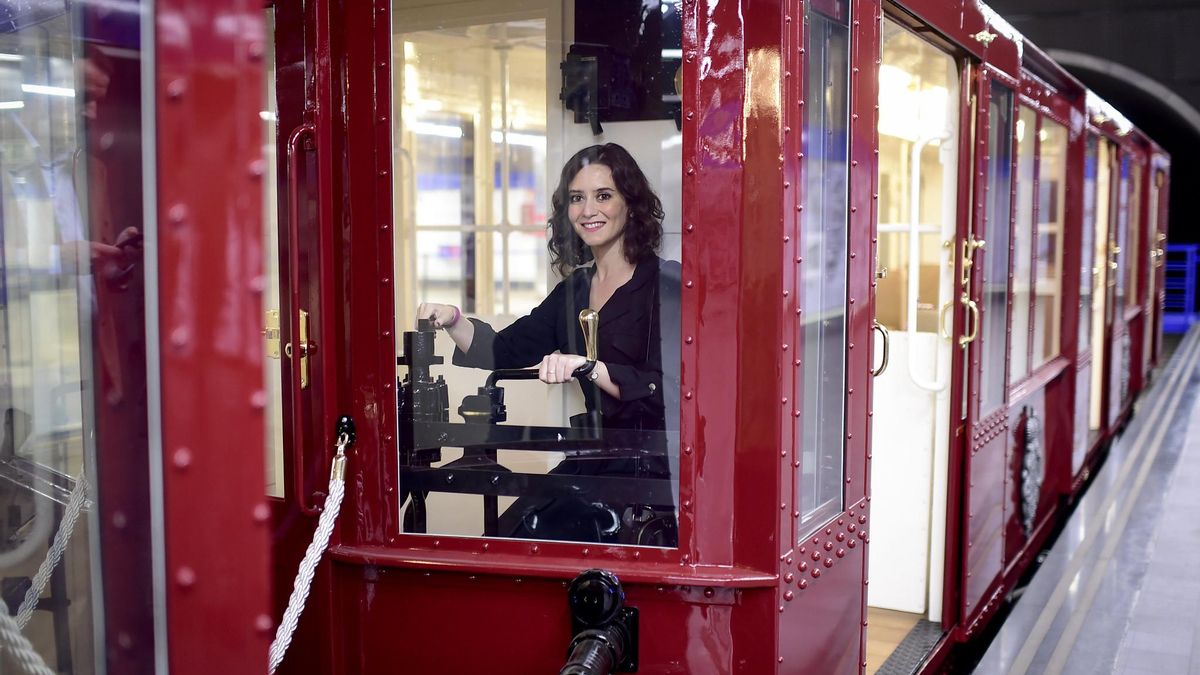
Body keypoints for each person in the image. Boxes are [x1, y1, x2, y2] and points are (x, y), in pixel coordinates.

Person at [416, 142, 680, 545]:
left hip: (657, 475)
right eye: (577, 198)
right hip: (595, 459)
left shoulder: (666, 284)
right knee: (511, 538)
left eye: (603, 195)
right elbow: (503, 350)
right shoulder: (573, 292)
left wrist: (591, 368)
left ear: (632, 204)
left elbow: (670, 390)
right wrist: (454, 318)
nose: (588, 210)